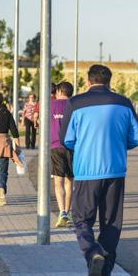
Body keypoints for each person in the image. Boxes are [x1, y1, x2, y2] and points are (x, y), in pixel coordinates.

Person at [60, 64, 138, 276]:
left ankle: (92, 253)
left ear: (88, 81)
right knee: (111, 223)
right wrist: (117, 144)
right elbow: (137, 137)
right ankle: (103, 274)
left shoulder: (75, 103)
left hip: (87, 171)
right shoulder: (124, 103)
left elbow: (66, 139)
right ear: (109, 81)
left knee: (81, 218)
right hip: (115, 170)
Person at [51, 81, 74, 228]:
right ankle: (68, 212)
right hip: (71, 146)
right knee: (69, 180)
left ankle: (62, 213)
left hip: (55, 146)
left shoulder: (51, 105)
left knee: (58, 181)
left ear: (59, 92)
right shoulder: (74, 106)